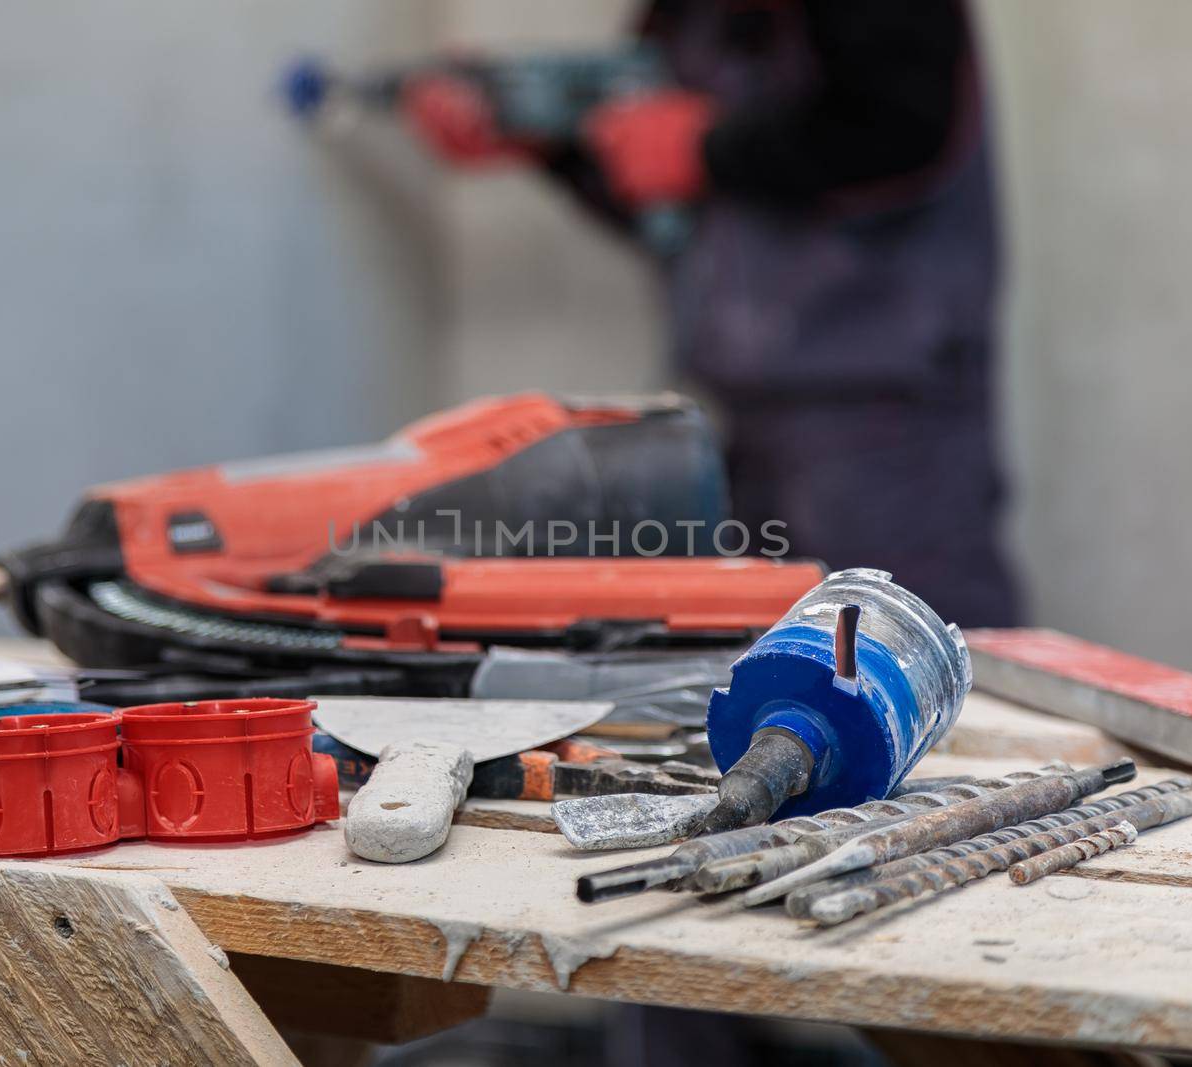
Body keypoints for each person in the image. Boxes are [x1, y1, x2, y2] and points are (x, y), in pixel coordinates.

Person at [403, 0, 1019, 627]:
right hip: (745, 420)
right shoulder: (684, 14)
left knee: (922, 666)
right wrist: (549, 144)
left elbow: (897, 122)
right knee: (783, 672)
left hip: (887, 415)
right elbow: (673, 196)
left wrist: (708, 147)